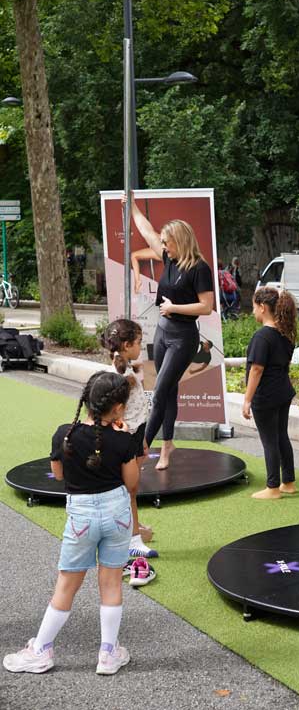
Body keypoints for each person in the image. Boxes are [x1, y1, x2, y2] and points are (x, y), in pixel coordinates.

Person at [3, 372, 138, 676]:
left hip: (81, 517)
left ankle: (40, 650)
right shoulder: (123, 439)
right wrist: (124, 439)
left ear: (87, 399)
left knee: (66, 585)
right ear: (118, 407)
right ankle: (107, 654)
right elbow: (132, 483)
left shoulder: (65, 434)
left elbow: (60, 474)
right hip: (116, 513)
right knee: (112, 582)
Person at [126, 197, 214, 469]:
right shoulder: (169, 258)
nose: (162, 247)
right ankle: (167, 447)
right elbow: (146, 230)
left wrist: (175, 306)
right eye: (162, 243)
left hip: (182, 337)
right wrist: (131, 205)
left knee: (160, 391)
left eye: (167, 242)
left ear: (180, 241)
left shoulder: (199, 268)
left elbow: (206, 306)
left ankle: (141, 449)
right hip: (163, 333)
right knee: (168, 390)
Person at [101, 319, 157, 562]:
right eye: (138, 343)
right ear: (126, 345)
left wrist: (141, 438)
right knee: (128, 489)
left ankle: (132, 533)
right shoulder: (118, 377)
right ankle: (130, 539)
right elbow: (116, 411)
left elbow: (138, 408)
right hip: (124, 435)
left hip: (135, 433)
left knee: (131, 489)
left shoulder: (129, 368)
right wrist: (125, 439)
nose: (140, 347)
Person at [242, 287, 298, 500]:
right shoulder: (286, 333)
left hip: (266, 395)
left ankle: (273, 486)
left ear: (263, 308)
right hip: (283, 391)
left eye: (254, 308)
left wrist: (247, 400)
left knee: (269, 440)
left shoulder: (262, 336)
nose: (252, 312)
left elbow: (257, 369)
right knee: (281, 435)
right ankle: (288, 482)